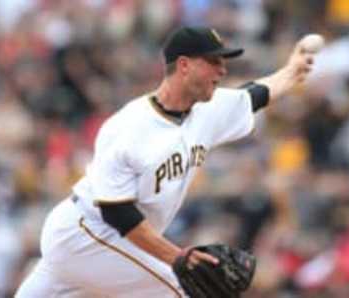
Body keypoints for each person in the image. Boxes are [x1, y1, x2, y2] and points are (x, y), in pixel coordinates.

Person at [16, 26, 315, 298]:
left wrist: (292, 70)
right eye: (213, 61)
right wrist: (177, 257)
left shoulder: (206, 111)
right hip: (89, 234)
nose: (222, 70)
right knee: (187, 288)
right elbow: (118, 213)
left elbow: (255, 96)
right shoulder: (128, 127)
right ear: (184, 65)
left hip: (99, 243)